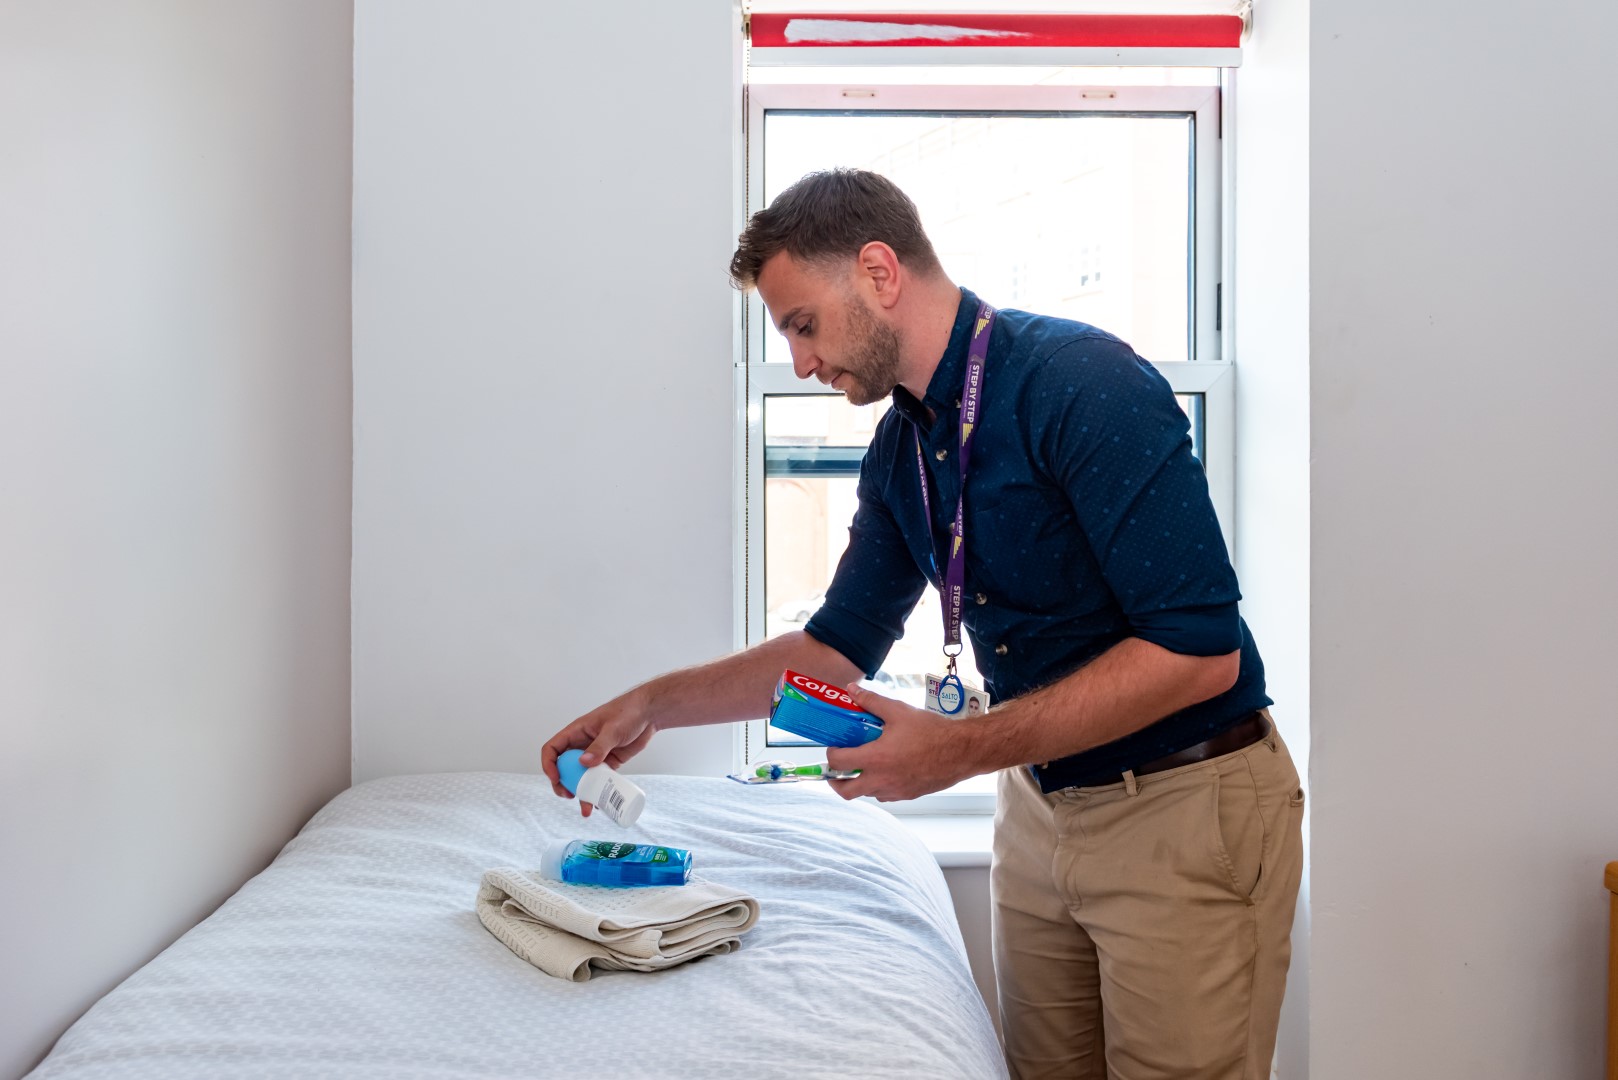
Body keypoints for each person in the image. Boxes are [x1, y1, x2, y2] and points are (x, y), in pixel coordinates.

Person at [543, 168, 1303, 1079]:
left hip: (1184, 806)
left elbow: (1197, 653)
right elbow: (834, 646)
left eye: (802, 324)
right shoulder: (903, 447)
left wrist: (952, 749)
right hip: (1039, 807)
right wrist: (651, 705)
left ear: (877, 270)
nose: (801, 362)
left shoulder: (1080, 384)